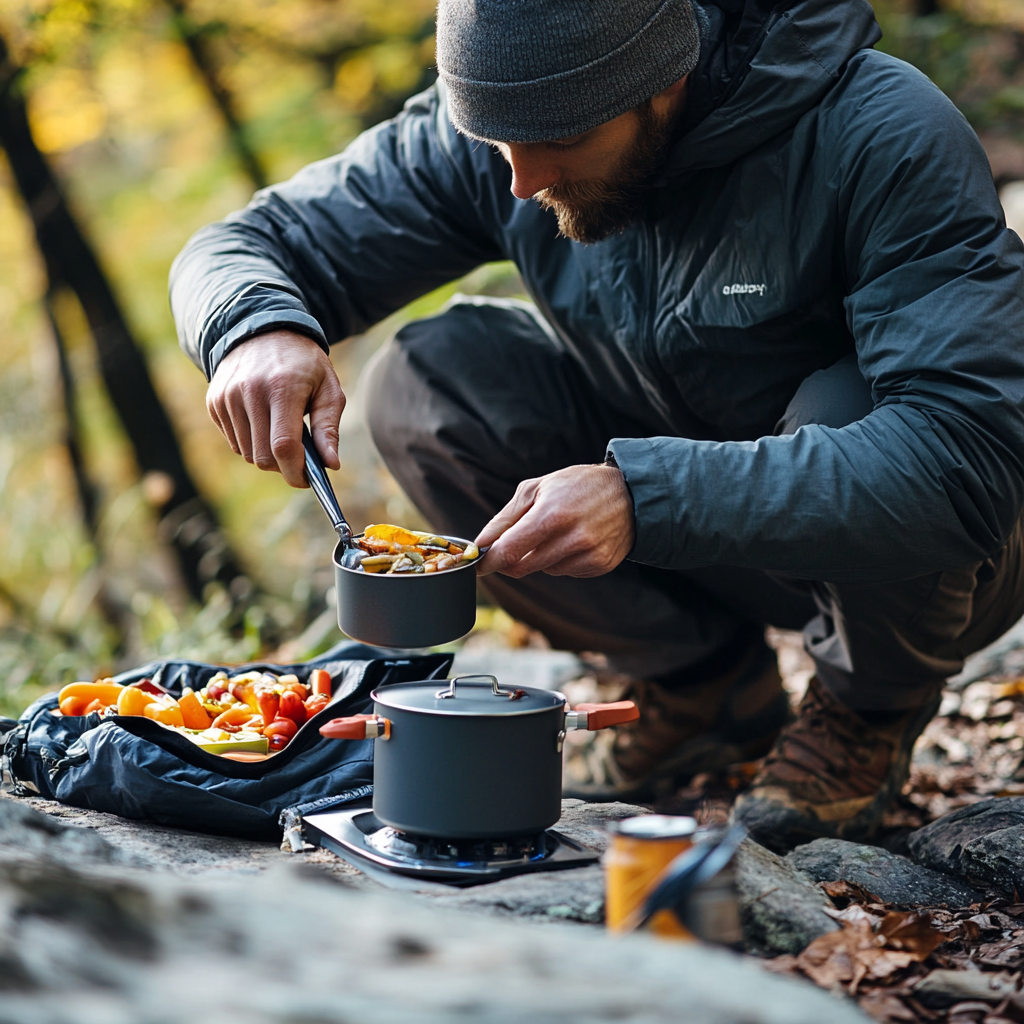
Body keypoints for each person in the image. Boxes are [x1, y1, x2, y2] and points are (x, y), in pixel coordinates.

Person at [170, 0, 1024, 850]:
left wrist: (643, 496)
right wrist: (254, 328)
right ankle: (701, 687)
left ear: (665, 77)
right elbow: (252, 240)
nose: (521, 179)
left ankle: (867, 710)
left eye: (561, 142)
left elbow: (963, 462)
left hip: (925, 565)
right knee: (427, 381)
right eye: (496, 143)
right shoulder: (514, 121)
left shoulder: (878, 133)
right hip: (707, 539)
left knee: (859, 405)